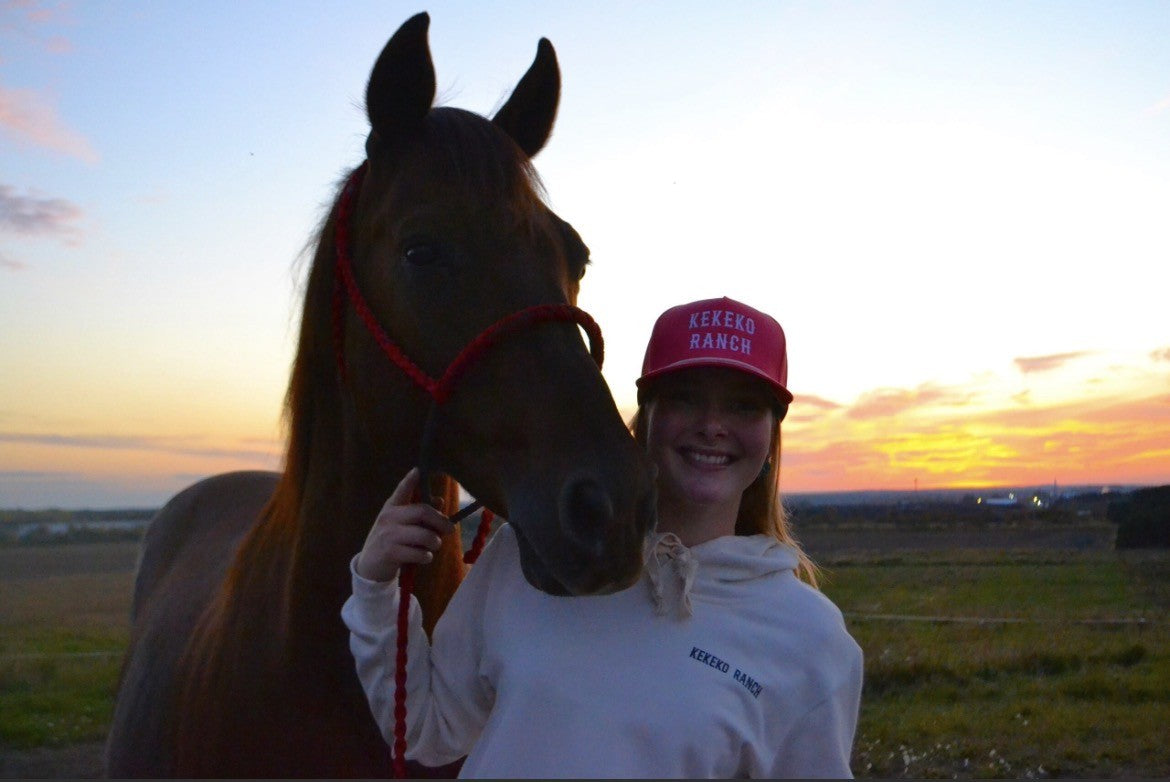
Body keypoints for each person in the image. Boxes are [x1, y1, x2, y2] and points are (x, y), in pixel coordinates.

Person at [342, 296, 863, 778]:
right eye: (684, 399)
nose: (712, 425)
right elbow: (427, 732)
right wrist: (376, 586)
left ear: (772, 435)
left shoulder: (810, 643)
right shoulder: (533, 559)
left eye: (744, 406)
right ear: (646, 417)